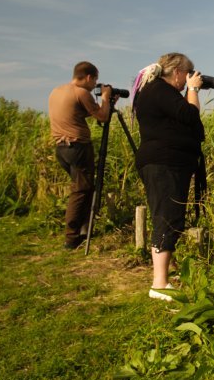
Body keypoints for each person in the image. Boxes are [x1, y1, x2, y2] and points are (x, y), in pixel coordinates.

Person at [133, 52, 205, 301]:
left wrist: (189, 92)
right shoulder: (160, 90)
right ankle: (159, 284)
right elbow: (190, 115)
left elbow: (181, 116)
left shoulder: (156, 92)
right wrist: (194, 90)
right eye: (187, 75)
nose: (188, 80)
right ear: (177, 72)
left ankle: (168, 270)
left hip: (162, 162)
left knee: (165, 214)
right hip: (165, 163)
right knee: (167, 216)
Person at [48, 61, 117, 250]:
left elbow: (76, 113)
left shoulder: (57, 91)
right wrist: (105, 98)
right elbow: (102, 117)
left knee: (84, 188)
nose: (95, 84)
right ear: (88, 77)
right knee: (80, 191)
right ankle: (71, 238)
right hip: (77, 147)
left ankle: (84, 230)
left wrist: (108, 103)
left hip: (61, 149)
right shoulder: (81, 92)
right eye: (95, 80)